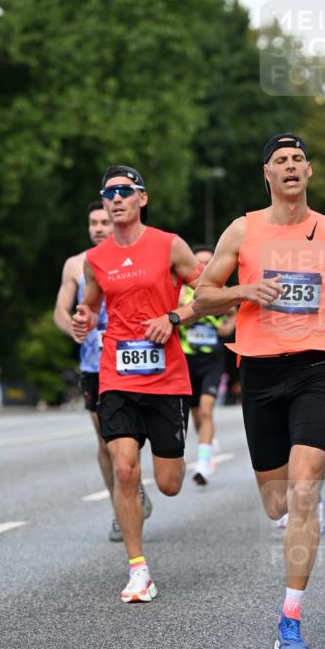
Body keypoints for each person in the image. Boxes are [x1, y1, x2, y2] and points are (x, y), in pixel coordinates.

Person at [193, 134, 325, 649]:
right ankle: (299, 512)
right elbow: (203, 296)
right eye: (280, 161)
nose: (290, 167)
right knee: (277, 501)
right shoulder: (243, 229)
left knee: (302, 492)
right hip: (261, 374)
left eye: (297, 160)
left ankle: (290, 617)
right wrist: (242, 291)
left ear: (309, 172)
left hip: (317, 367)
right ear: (266, 174)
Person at [72, 165, 204, 603]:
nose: (116, 198)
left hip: (165, 378)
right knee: (124, 468)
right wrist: (83, 319)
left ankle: (159, 477)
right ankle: (138, 571)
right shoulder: (96, 259)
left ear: (141, 198)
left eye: (125, 191)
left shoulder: (169, 245)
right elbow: (90, 305)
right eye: (108, 192)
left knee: (168, 482)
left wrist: (174, 318)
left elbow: (205, 294)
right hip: (116, 374)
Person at [54, 201, 153, 541]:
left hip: (136, 357)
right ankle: (122, 504)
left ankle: (133, 483)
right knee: (106, 438)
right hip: (94, 363)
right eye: (93, 222)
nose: (98, 228)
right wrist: (76, 330)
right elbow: (60, 313)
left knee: (135, 433)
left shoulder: (137, 258)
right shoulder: (75, 265)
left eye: (104, 222)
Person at [178, 244, 237, 486]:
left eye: (208, 263)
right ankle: (207, 440)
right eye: (199, 263)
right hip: (185, 359)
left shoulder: (222, 290)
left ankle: (203, 464)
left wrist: (229, 326)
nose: (203, 268)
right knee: (196, 415)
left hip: (212, 359)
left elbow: (235, 311)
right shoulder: (182, 291)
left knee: (206, 409)